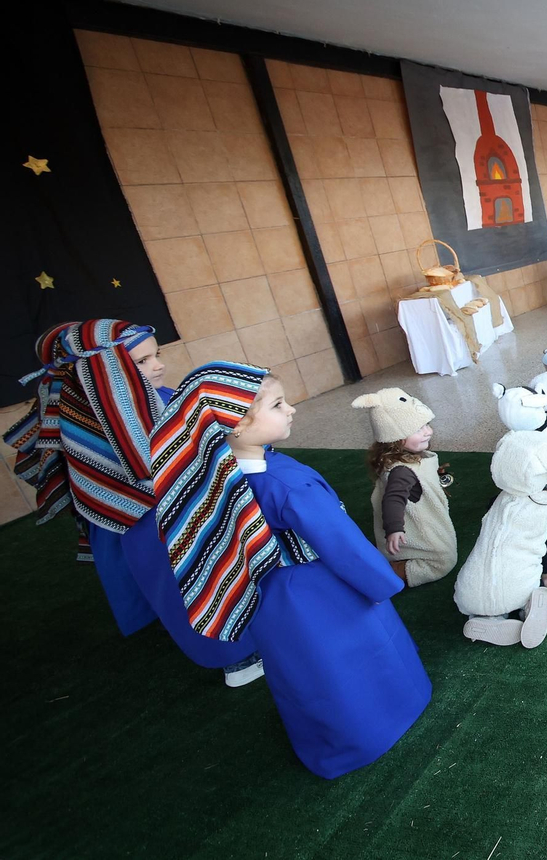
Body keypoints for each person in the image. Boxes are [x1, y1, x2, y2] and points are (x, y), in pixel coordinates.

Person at [151, 363, 430, 778]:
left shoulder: (206, 478)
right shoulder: (283, 483)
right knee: (359, 652)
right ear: (236, 425)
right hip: (320, 587)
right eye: (278, 405)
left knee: (307, 669)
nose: (292, 410)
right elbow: (339, 542)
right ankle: (383, 719)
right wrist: (380, 580)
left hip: (269, 599)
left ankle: (335, 740)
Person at [3, 321, 262, 682]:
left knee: (198, 572)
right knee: (190, 578)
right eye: (142, 362)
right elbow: (140, 468)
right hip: (152, 520)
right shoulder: (98, 422)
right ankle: (236, 658)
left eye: (157, 355)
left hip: (158, 515)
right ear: (103, 373)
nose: (158, 366)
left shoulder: (155, 395)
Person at [455, 427, 547, 650]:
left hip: (466, 590)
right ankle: (531, 607)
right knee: (527, 580)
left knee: (486, 575)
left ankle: (482, 619)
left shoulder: (499, 499)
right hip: (515, 588)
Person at [355, 388, 457, 588]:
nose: (428, 431)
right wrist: (394, 529)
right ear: (394, 436)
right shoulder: (401, 471)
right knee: (442, 562)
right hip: (407, 529)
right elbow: (393, 499)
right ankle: (388, 574)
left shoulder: (409, 457)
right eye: (418, 428)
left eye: (427, 424)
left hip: (423, 519)